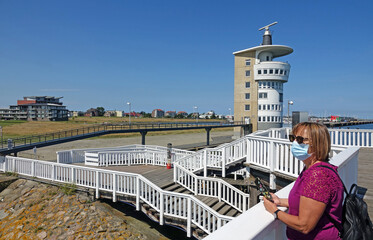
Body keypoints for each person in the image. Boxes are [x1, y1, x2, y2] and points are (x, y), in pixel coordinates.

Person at [263, 122, 344, 239]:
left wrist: (275, 212)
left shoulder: (318, 175)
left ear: (317, 144)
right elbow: (311, 202)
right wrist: (280, 201)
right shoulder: (311, 169)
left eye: (300, 140)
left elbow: (304, 225)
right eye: (293, 138)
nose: (295, 143)